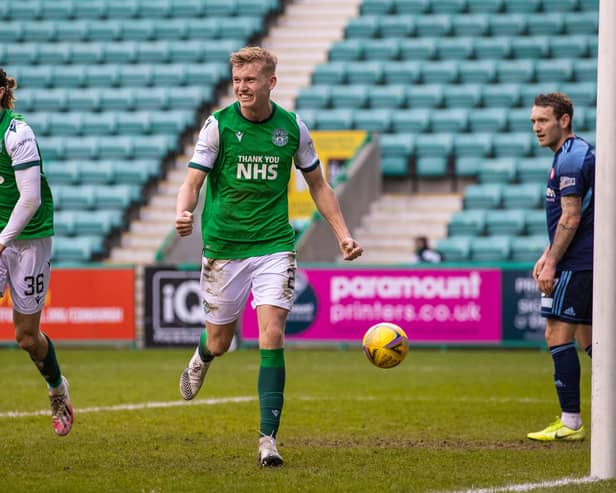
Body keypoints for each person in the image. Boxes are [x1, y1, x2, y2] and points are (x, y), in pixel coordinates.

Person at [175, 47, 363, 466]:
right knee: (221, 340)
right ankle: (203, 354)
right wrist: (183, 210)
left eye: (250, 80)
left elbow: (319, 185)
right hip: (225, 247)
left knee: (272, 333)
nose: (242, 88)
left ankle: (267, 440)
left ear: (270, 83)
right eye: (237, 81)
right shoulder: (217, 126)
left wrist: (343, 235)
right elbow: (192, 182)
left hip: (274, 244)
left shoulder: (292, 128)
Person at [0, 68, 74, 436]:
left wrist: (2, 240)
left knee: (27, 338)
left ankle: (58, 389)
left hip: (29, 237)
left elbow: (29, 198)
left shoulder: (18, 133)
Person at [526, 92, 594, 442]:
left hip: (578, 262)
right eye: (534, 121)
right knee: (591, 338)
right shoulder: (573, 154)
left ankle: (570, 422)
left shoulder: (570, 159)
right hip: (583, 257)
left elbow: (572, 215)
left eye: (543, 120)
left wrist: (552, 262)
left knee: (556, 332)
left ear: (563, 120)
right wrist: (547, 251)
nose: (536, 127)